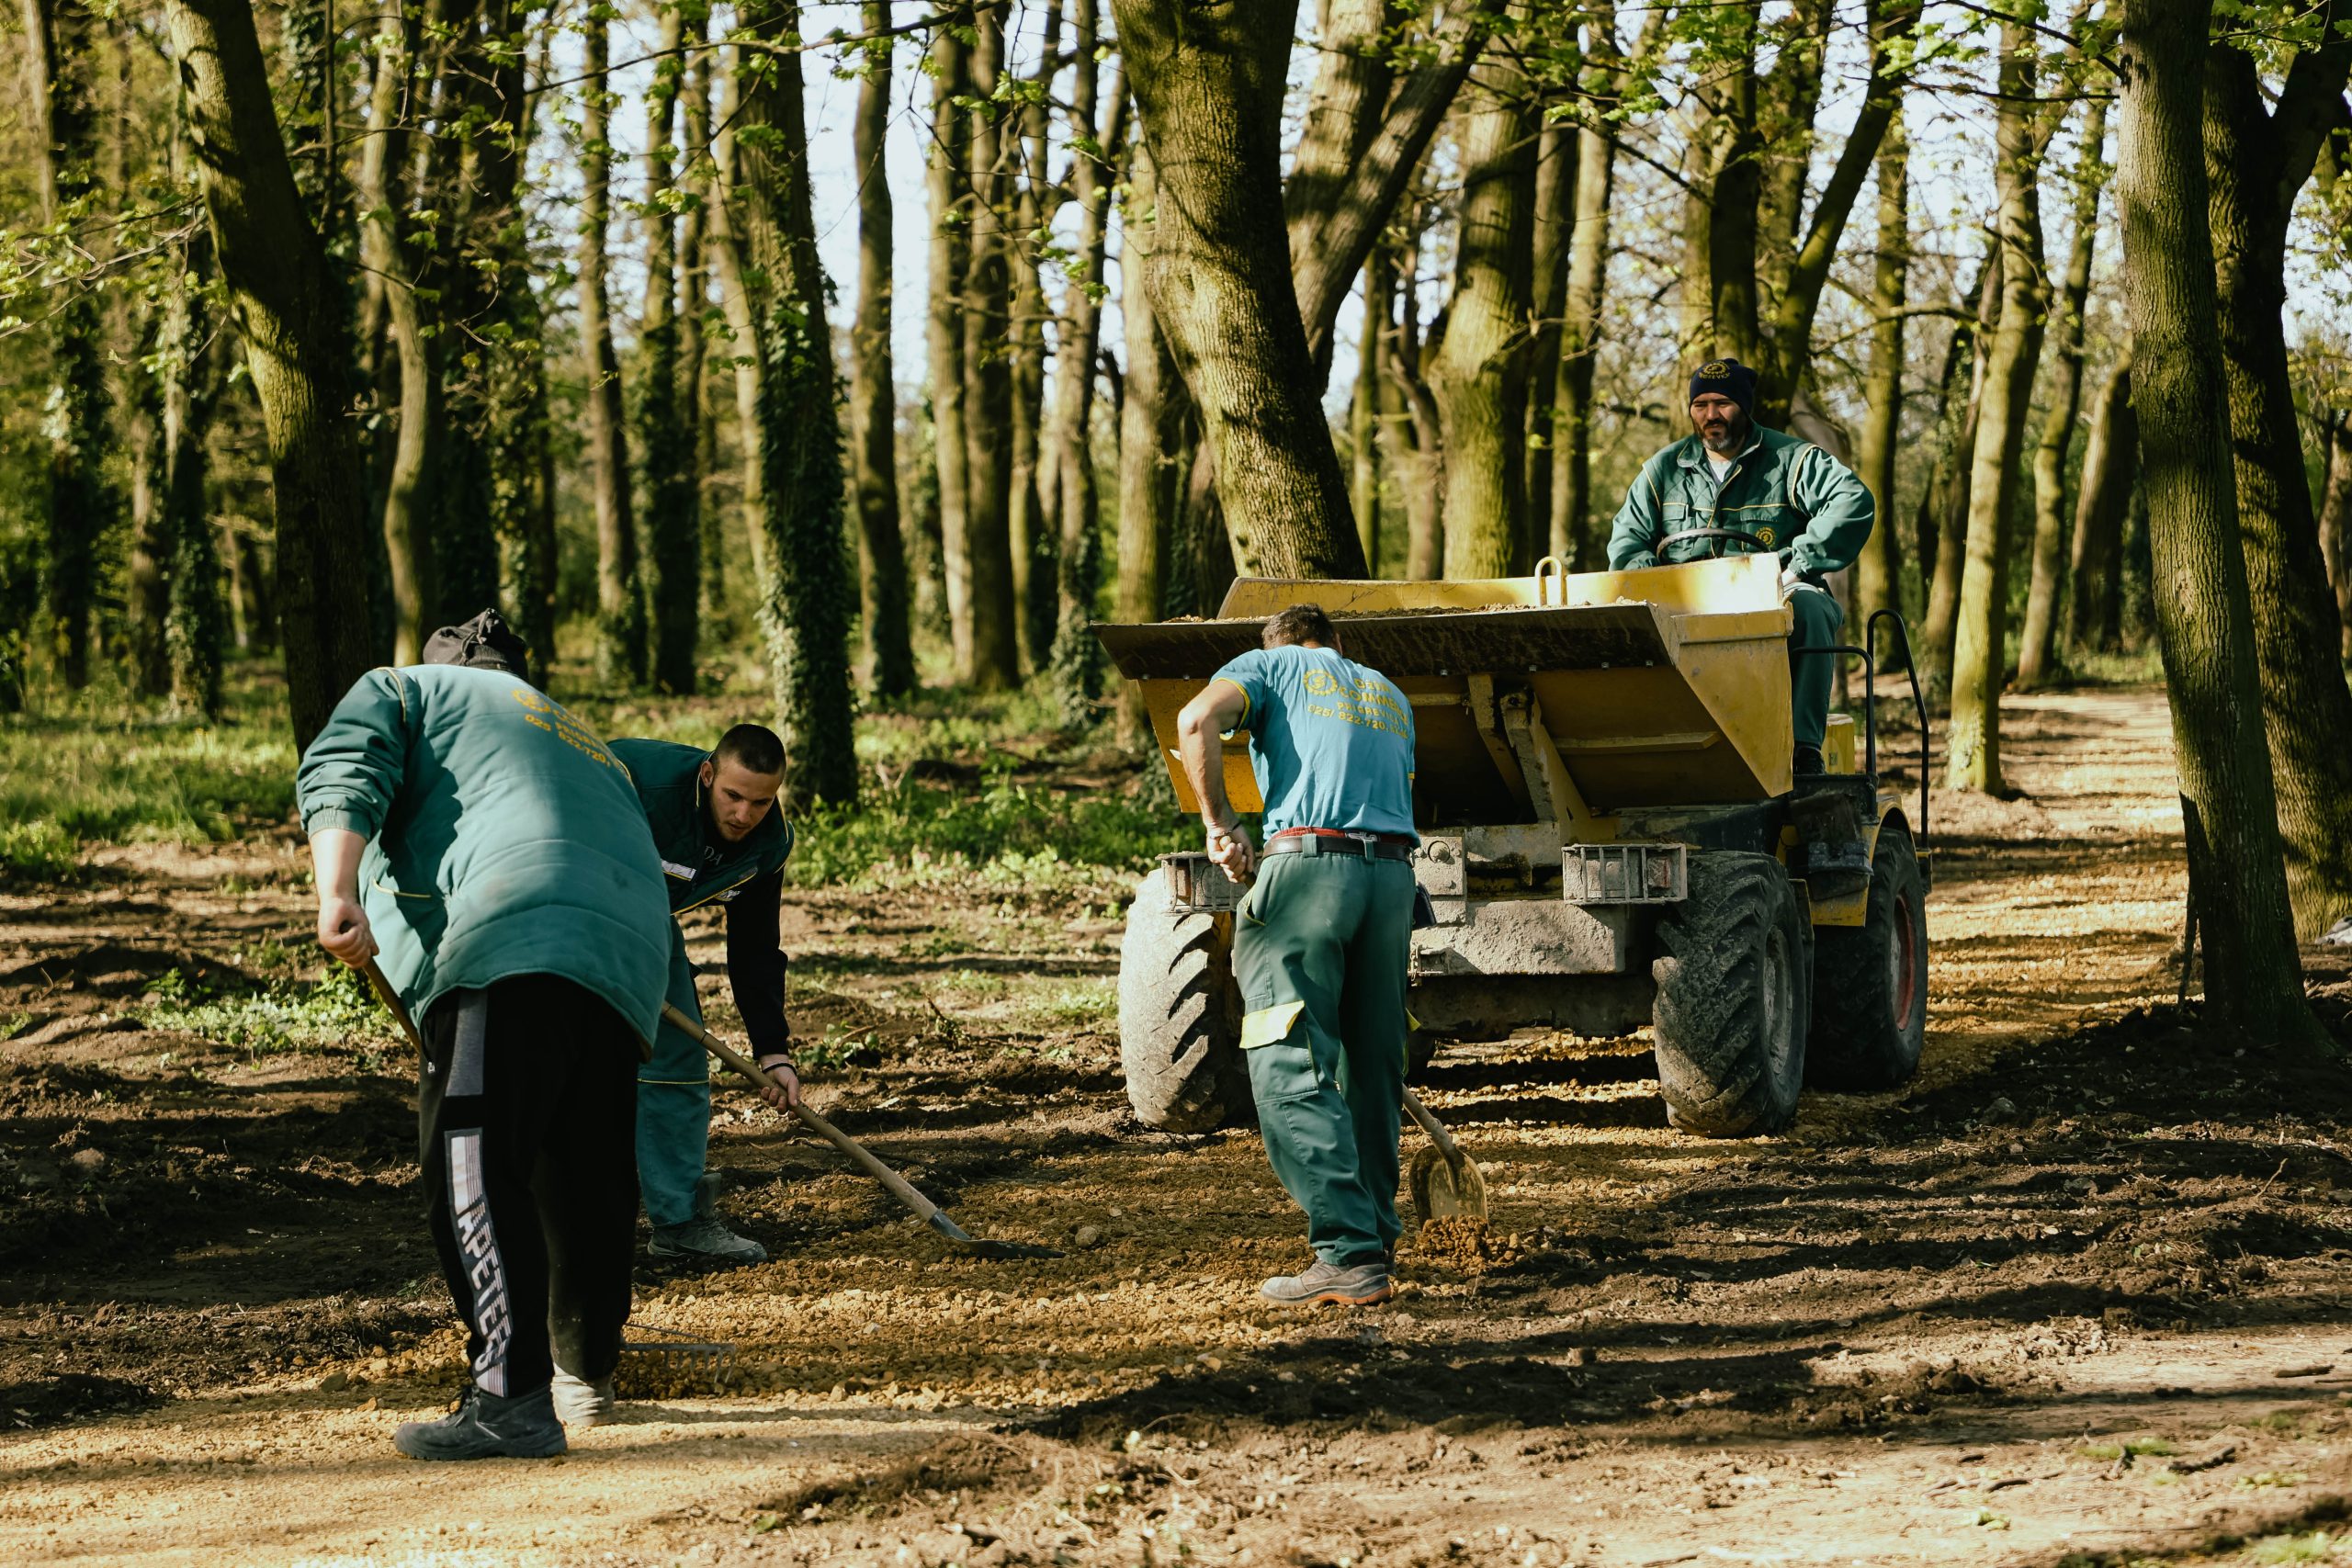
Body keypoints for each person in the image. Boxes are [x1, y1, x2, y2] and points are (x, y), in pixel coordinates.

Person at [296, 610, 673, 1461]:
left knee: (471, 1156)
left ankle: (508, 1398)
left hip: (508, 928)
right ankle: (585, 1376)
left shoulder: (401, 689)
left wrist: (335, 890)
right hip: (625, 955)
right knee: (583, 1169)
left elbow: (343, 769)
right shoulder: (586, 740)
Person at [1176, 604, 1417, 1308]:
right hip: (1393, 879)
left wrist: (1220, 823)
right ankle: (1374, 1237)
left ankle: (1345, 1251)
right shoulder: (1389, 694)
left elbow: (1196, 721)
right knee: (1373, 1062)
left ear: (1281, 646)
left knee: (1285, 1050)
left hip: (1312, 872)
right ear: (1338, 643)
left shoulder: (1273, 667)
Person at [1606, 357, 1875, 775]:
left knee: (1808, 608)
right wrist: (1657, 584)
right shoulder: (1661, 471)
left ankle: (1802, 755)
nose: (1711, 415)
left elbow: (1852, 501)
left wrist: (1796, 568)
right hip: (1686, 602)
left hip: (1771, 593)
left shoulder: (1792, 460)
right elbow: (1627, 543)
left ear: (1745, 407)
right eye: (1701, 404)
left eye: (1724, 402)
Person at [605, 727, 802, 1275]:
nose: (744, 814)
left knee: (678, 1063)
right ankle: (540, 1215)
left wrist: (773, 1051)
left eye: (761, 801)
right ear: (708, 775)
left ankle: (679, 1223)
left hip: (649, 920)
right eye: (733, 797)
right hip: (572, 903)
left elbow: (756, 948)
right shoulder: (638, 781)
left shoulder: (768, 844)